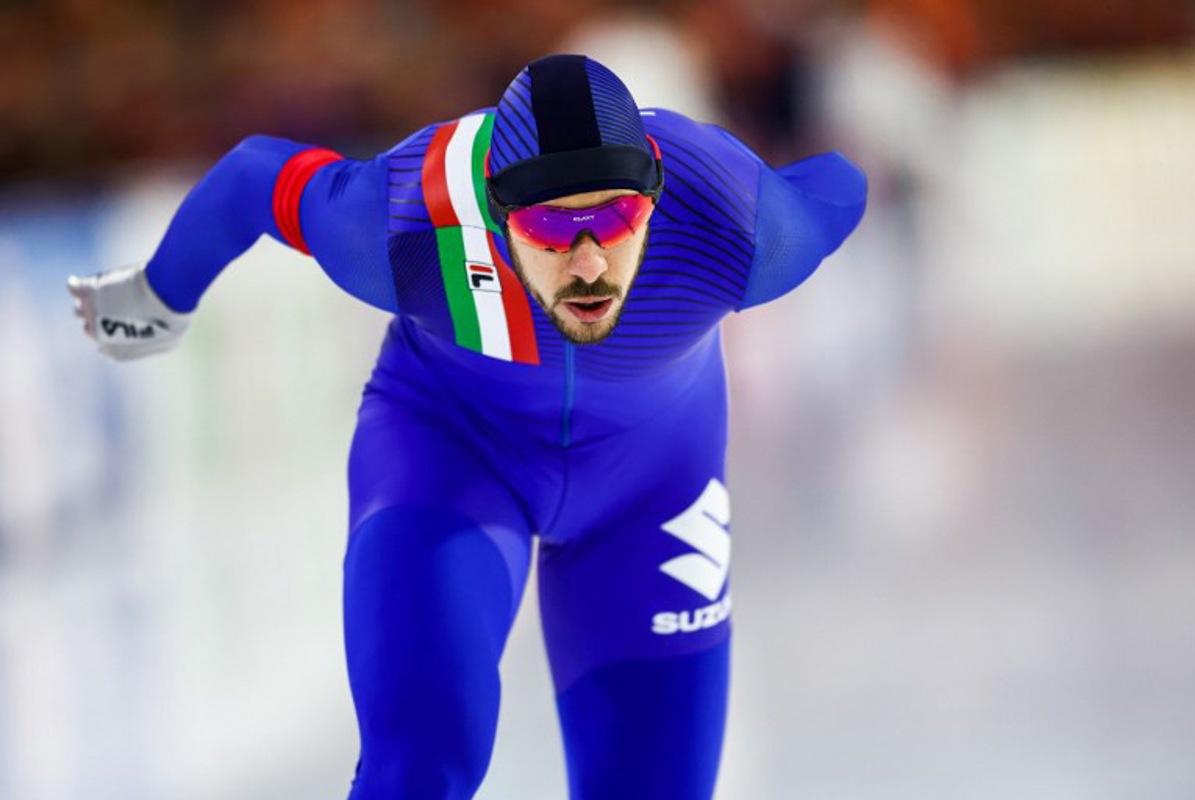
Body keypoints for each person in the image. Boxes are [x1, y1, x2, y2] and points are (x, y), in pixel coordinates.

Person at [67, 54, 866, 800]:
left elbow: (840, 182)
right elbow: (251, 180)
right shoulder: (400, 223)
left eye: (617, 219)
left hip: (652, 487)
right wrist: (154, 301)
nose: (589, 262)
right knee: (422, 762)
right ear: (496, 212)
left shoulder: (744, 227)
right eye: (553, 229)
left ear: (653, 196)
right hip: (451, 457)